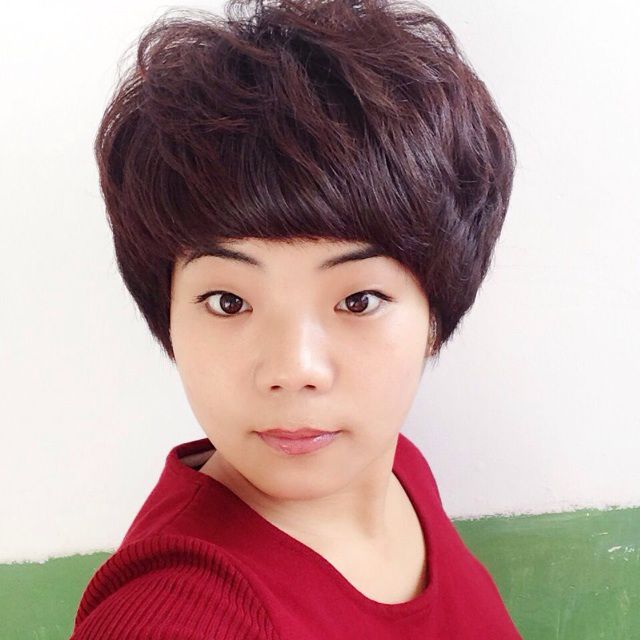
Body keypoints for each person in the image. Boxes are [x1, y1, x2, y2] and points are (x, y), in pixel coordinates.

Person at [70, 0, 520, 637]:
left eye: (358, 301)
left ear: (435, 312)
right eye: (229, 302)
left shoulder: (396, 469)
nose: (293, 369)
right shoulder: (180, 616)